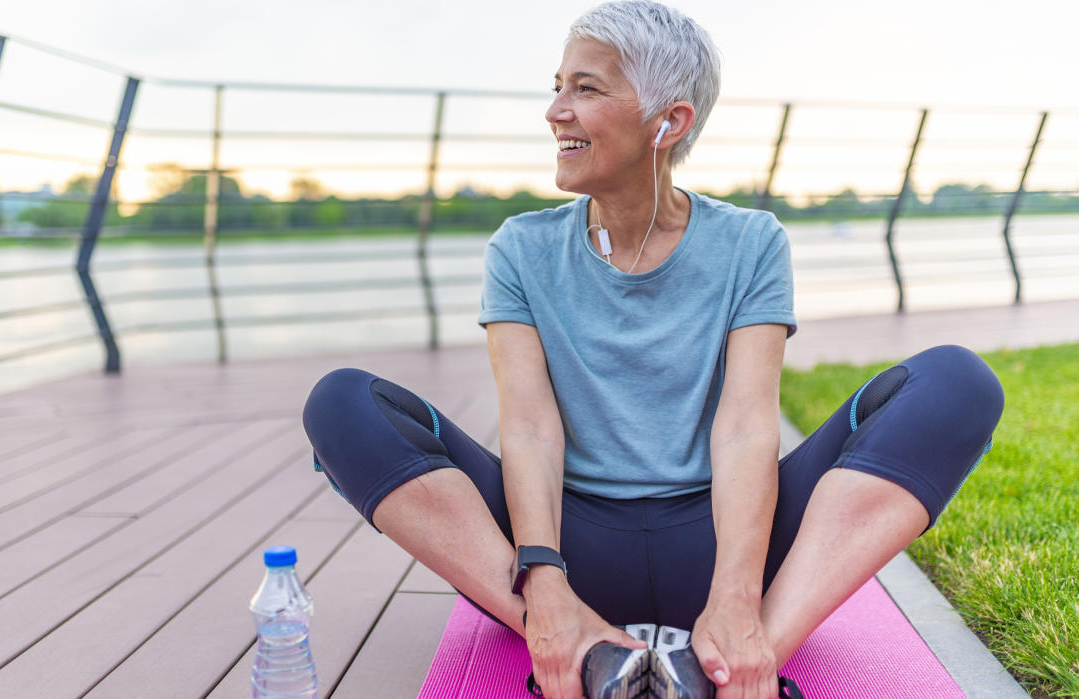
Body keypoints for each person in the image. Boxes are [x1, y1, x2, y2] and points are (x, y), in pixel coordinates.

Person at [302, 2, 1004, 697]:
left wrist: (735, 590)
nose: (555, 110)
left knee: (957, 383)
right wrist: (542, 577)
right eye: (557, 86)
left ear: (668, 122)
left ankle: (739, 656)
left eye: (586, 87)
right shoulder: (520, 248)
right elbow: (529, 427)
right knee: (341, 405)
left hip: (724, 540)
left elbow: (744, 427)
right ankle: (568, 634)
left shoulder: (751, 243)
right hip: (570, 547)